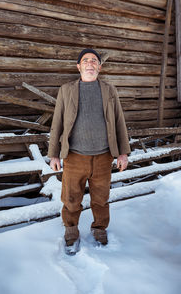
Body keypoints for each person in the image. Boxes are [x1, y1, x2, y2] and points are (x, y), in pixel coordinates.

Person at [48, 48, 131, 254]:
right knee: (71, 197)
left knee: (101, 198)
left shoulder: (109, 90)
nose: (90, 63)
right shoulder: (66, 90)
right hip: (75, 156)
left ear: (99, 67)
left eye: (94, 61)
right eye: (86, 60)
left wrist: (123, 153)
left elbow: (119, 121)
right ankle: (71, 229)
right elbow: (56, 122)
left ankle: (99, 228)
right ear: (79, 66)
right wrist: (54, 154)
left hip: (103, 156)